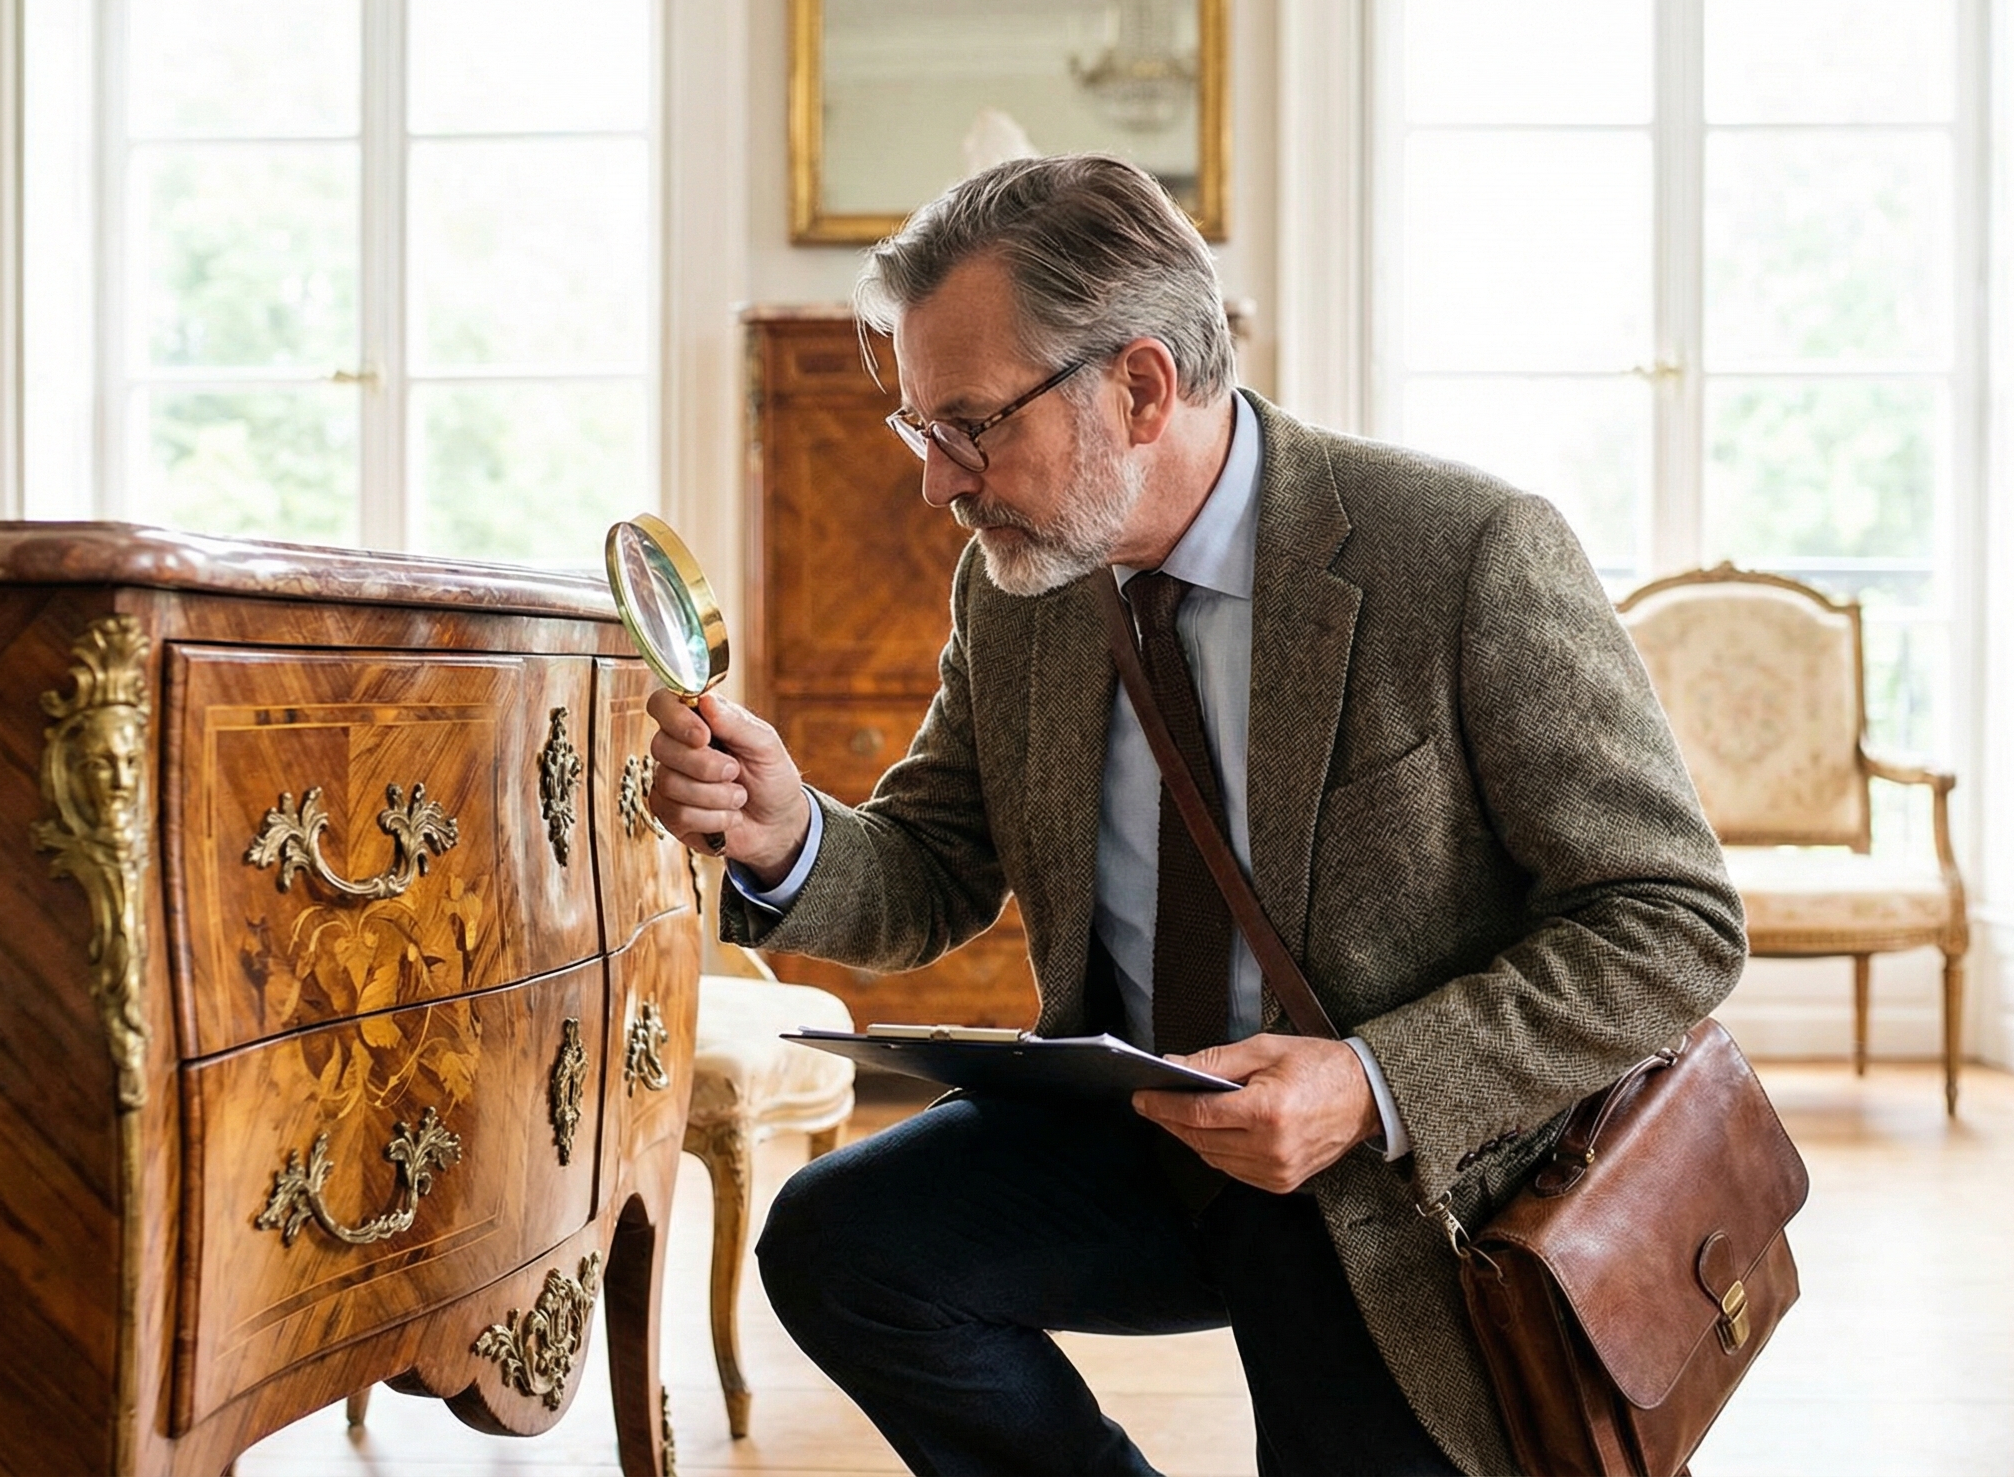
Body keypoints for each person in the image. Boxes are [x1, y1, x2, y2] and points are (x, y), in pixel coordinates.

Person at [644, 154, 1744, 1477]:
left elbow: (1672, 921)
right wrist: (786, 835)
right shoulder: (1016, 588)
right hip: (1142, 1134)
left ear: (1143, 386)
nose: (938, 482)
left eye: (969, 425)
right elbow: (933, 867)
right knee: (838, 1243)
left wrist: (1372, 1086)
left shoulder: (1462, 552)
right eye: (919, 430)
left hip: (1399, 1180)